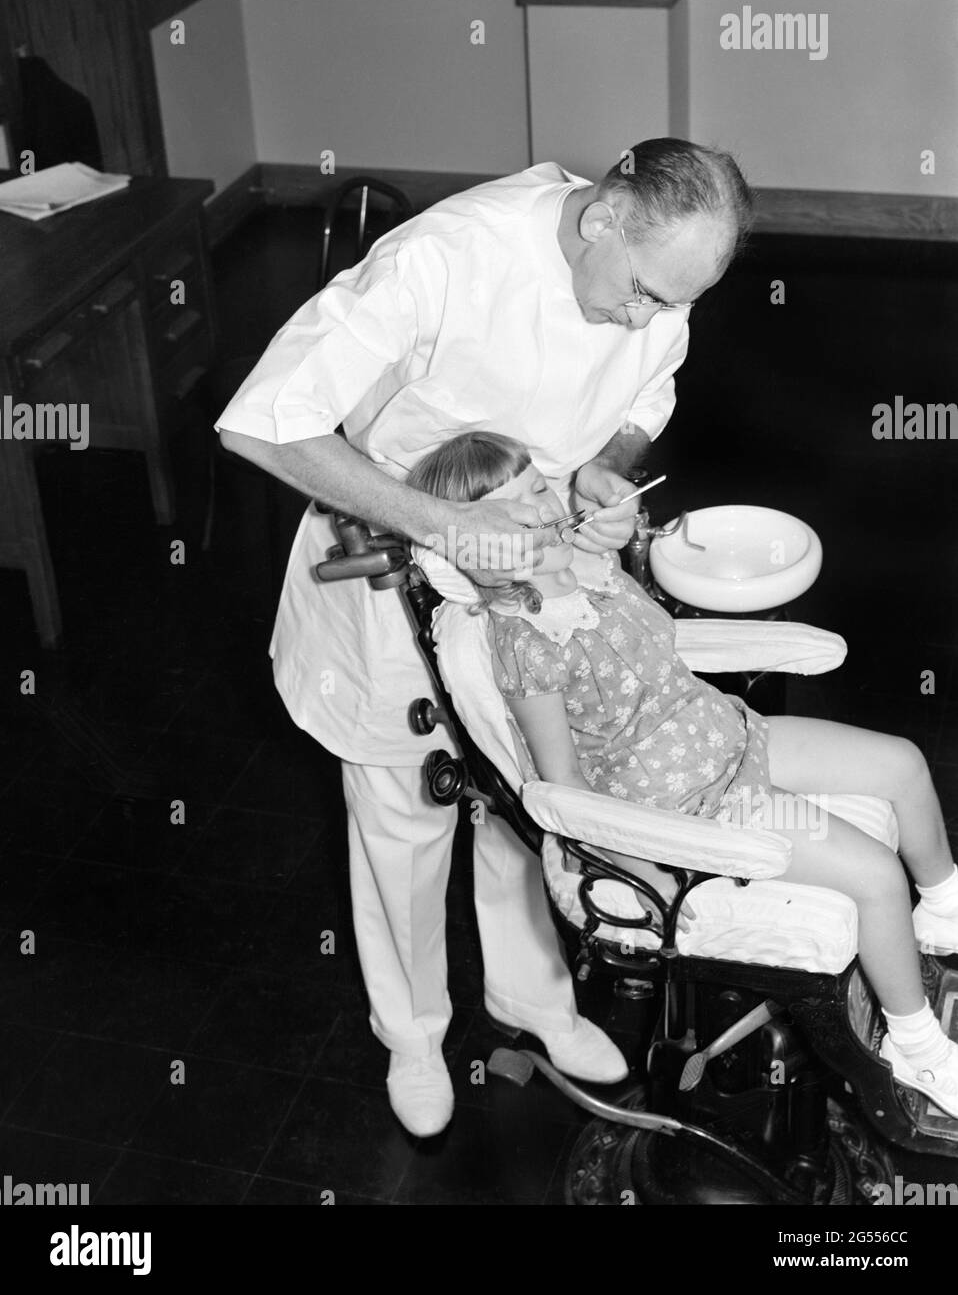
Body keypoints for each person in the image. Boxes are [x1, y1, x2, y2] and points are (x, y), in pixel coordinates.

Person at [216, 139, 753, 1136]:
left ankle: (531, 996)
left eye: (675, 304)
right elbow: (267, 423)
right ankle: (414, 1031)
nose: (648, 319)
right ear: (600, 218)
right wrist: (445, 527)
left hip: (535, 576)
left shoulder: (651, 290)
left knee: (522, 798)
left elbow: (642, 397)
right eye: (642, 293)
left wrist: (604, 465)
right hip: (389, 564)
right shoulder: (446, 257)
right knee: (406, 815)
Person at [408, 429, 958, 1119]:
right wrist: (642, 857)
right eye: (511, 515)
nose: (543, 513)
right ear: (475, 552)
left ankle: (943, 914)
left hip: (722, 731)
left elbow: (653, 647)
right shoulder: (528, 645)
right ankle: (919, 1049)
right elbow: (563, 789)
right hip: (694, 797)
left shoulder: (584, 569)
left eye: (539, 491)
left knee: (903, 764)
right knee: (877, 876)